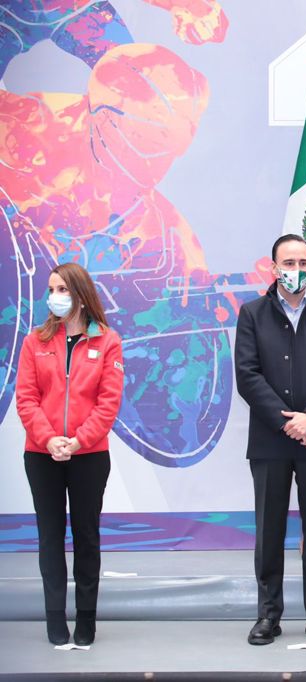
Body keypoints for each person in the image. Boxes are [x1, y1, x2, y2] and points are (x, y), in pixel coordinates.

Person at [234, 234, 306, 645]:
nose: (296, 269)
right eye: (289, 262)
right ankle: (268, 615)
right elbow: (247, 375)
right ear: (274, 267)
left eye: (303, 262)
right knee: (269, 531)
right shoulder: (252, 314)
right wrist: (287, 422)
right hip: (271, 440)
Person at [16, 262, 125, 645]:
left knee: (86, 536)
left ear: (80, 294)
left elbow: (108, 403)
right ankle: (54, 617)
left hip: (89, 456)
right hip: (41, 455)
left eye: (62, 289)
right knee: (50, 537)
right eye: (51, 289)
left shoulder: (107, 341)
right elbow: (26, 399)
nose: (55, 297)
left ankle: (86, 619)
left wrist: (79, 441)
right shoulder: (34, 341)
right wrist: (49, 440)